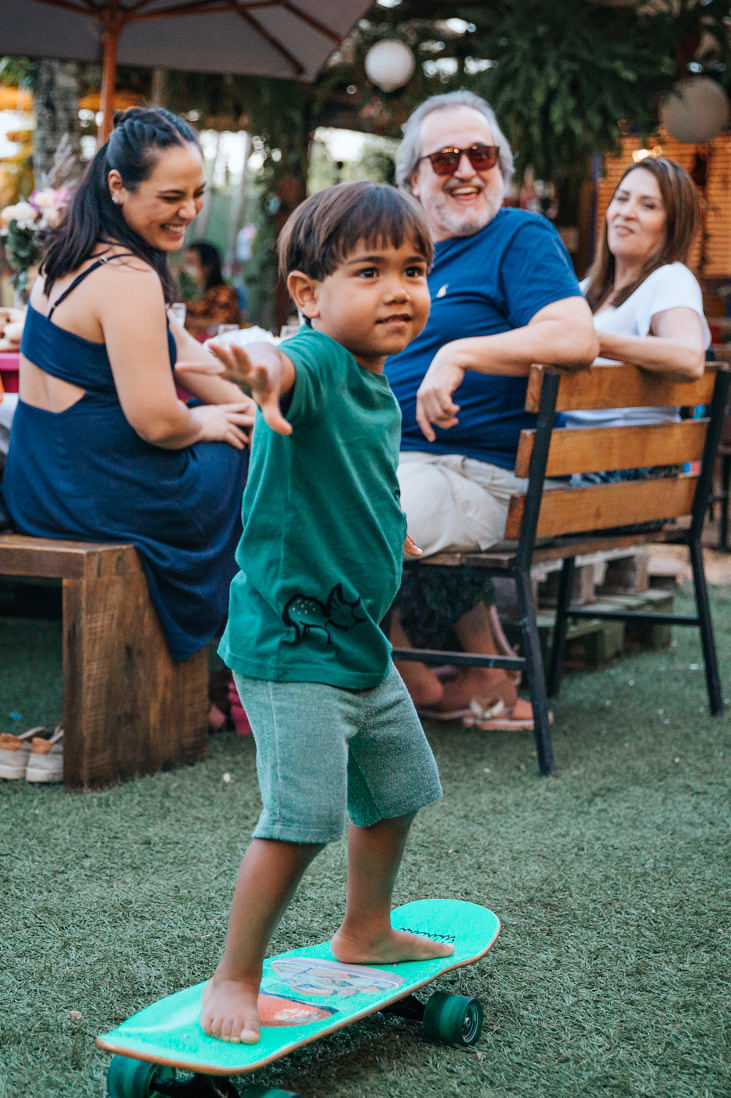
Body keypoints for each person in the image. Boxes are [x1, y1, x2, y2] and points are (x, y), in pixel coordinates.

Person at [180, 181, 452, 1046]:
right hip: (292, 645)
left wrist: (388, 539)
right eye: (369, 271)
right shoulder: (322, 362)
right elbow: (279, 365)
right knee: (298, 821)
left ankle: (364, 930)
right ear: (308, 294)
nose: (398, 289)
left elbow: (359, 486)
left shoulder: (377, 382)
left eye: (413, 270)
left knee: (399, 784)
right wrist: (257, 367)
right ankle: (236, 974)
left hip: (356, 641)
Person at [2, 108, 254, 666]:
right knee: (245, 466)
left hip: (36, 486)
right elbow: (159, 422)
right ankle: (223, 658)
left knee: (251, 438)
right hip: (95, 496)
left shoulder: (66, 256)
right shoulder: (127, 277)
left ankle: (214, 661)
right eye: (170, 197)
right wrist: (213, 424)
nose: (189, 212)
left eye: (198, 193)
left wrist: (259, 415)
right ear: (118, 186)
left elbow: (187, 358)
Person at [384, 90, 598, 728]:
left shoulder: (518, 235)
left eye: (480, 154)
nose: (466, 170)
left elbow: (576, 336)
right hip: (412, 463)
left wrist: (460, 352)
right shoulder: (409, 257)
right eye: (445, 159)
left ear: (501, 166)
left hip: (481, 475)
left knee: (353, 511)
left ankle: (390, 675)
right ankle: (447, 672)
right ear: (413, 180)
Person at [564, 156, 709, 457]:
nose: (626, 213)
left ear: (673, 225)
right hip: (571, 459)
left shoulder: (670, 279)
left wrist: (588, 341)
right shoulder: (587, 289)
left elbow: (689, 357)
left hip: (621, 470)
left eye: (648, 205)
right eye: (621, 199)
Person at [181, 240, 241, 334]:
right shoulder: (186, 292)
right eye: (185, 262)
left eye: (191, 262)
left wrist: (186, 320)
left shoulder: (223, 294)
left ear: (207, 266)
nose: (185, 268)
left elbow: (221, 323)